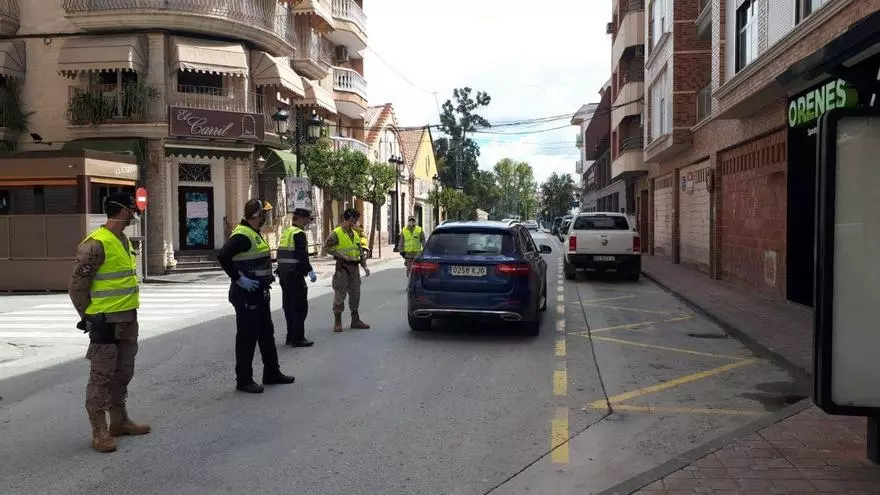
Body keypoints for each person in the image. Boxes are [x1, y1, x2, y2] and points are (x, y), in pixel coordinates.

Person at [69, 192, 151, 453]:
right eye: (132, 209)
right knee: (101, 377)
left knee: (123, 372)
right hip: (105, 322)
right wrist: (87, 317)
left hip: (127, 319)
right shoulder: (95, 244)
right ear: (123, 211)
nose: (134, 214)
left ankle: (119, 421)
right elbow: (76, 286)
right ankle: (99, 431)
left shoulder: (123, 240)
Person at [217, 199, 296, 394]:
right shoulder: (242, 236)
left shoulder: (253, 233)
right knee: (247, 337)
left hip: (259, 293)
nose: (266, 217)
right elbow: (223, 256)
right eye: (264, 214)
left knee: (266, 334)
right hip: (246, 295)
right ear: (256, 215)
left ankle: (272, 373)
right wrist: (239, 279)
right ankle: (244, 380)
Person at [324, 208, 371, 332]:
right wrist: (340, 254)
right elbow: (327, 247)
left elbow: (359, 251)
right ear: (350, 218)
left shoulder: (355, 234)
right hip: (343, 267)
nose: (357, 222)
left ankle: (355, 320)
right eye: (355, 219)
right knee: (340, 294)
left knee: (355, 294)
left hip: (354, 268)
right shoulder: (336, 233)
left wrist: (365, 266)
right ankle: (337, 321)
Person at [277, 208, 317, 348]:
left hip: (284, 275)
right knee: (299, 307)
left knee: (288, 306)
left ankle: (291, 336)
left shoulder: (287, 232)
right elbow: (301, 255)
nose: (307, 223)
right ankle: (298, 338)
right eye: (307, 220)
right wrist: (309, 270)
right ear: (300, 219)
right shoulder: (299, 233)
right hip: (295, 275)